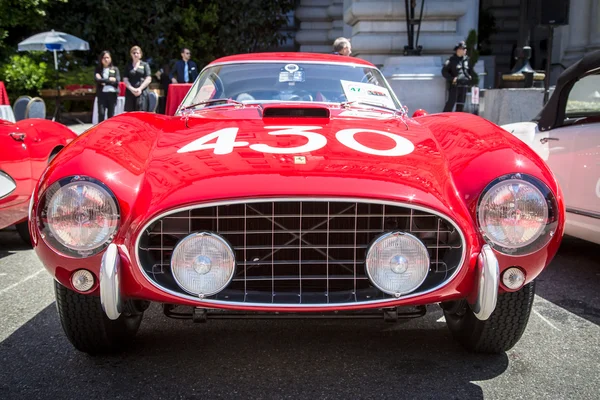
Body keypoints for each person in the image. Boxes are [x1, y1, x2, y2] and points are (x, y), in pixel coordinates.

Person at [442, 41, 472, 112]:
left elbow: (469, 71)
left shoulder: (466, 60)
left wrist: (470, 77)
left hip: (464, 85)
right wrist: (452, 78)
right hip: (455, 85)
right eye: (463, 48)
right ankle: (444, 117)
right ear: (458, 49)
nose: (465, 50)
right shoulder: (451, 61)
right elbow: (444, 72)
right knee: (451, 102)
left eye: (465, 48)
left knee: (461, 104)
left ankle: (458, 120)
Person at [123, 45, 152, 112]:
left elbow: (148, 78)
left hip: (142, 92)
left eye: (137, 53)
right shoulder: (128, 66)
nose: (135, 54)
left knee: (141, 113)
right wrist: (132, 89)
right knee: (130, 114)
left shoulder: (145, 65)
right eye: (134, 53)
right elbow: (125, 79)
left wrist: (140, 89)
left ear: (140, 55)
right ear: (131, 55)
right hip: (130, 93)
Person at [94, 51, 120, 122]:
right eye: (104, 58)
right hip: (102, 94)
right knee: (101, 113)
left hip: (112, 94)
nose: (106, 59)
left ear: (110, 59)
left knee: (111, 114)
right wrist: (110, 80)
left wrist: (103, 81)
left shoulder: (115, 69)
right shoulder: (98, 69)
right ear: (101, 59)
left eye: (107, 57)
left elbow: (117, 81)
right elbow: (97, 80)